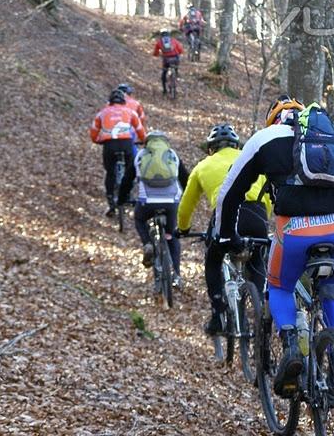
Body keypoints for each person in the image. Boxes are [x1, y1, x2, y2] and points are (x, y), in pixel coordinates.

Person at [214, 95, 334, 397]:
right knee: (333, 293)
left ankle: (291, 349)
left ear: (274, 118)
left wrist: (225, 235)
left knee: (280, 288)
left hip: (295, 231)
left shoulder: (265, 139)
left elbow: (229, 193)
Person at [177, 124, 272, 335]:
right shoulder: (251, 160)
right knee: (257, 259)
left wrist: (183, 228)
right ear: (237, 145)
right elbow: (268, 196)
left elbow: (186, 204)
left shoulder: (203, 165)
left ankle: (218, 313)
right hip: (257, 216)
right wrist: (263, 221)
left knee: (213, 259)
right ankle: (260, 310)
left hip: (226, 215)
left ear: (211, 148)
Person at [117, 131, 190, 288]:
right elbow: (185, 179)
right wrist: (184, 199)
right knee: (172, 236)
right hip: (171, 203)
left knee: (139, 219)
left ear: (147, 143)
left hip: (147, 203)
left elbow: (126, 181)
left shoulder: (141, 156)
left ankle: (147, 243)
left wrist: (122, 200)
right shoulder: (172, 155)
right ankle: (176, 275)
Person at [90, 89, 147, 217]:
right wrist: (143, 141)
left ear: (110, 102)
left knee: (110, 172)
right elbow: (139, 128)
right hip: (126, 143)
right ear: (123, 101)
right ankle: (128, 193)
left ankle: (111, 202)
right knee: (130, 169)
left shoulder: (102, 113)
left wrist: (97, 140)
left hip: (109, 145)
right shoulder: (130, 111)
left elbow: (94, 131)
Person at [153, 28, 184, 95]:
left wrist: (156, 54)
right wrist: (179, 53)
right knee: (176, 67)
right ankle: (175, 74)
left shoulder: (159, 42)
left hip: (166, 60)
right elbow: (180, 50)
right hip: (175, 59)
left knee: (164, 73)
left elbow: (155, 53)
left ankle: (164, 90)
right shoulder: (174, 40)